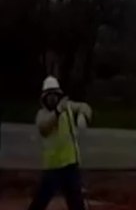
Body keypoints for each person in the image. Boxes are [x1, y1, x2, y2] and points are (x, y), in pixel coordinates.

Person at [28, 76, 92, 210]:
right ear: (44, 98)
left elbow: (84, 107)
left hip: (70, 164)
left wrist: (83, 115)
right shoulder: (42, 114)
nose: (52, 98)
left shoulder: (67, 109)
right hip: (53, 167)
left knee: (76, 203)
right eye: (49, 95)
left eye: (55, 95)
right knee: (40, 201)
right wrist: (57, 111)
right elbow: (44, 127)